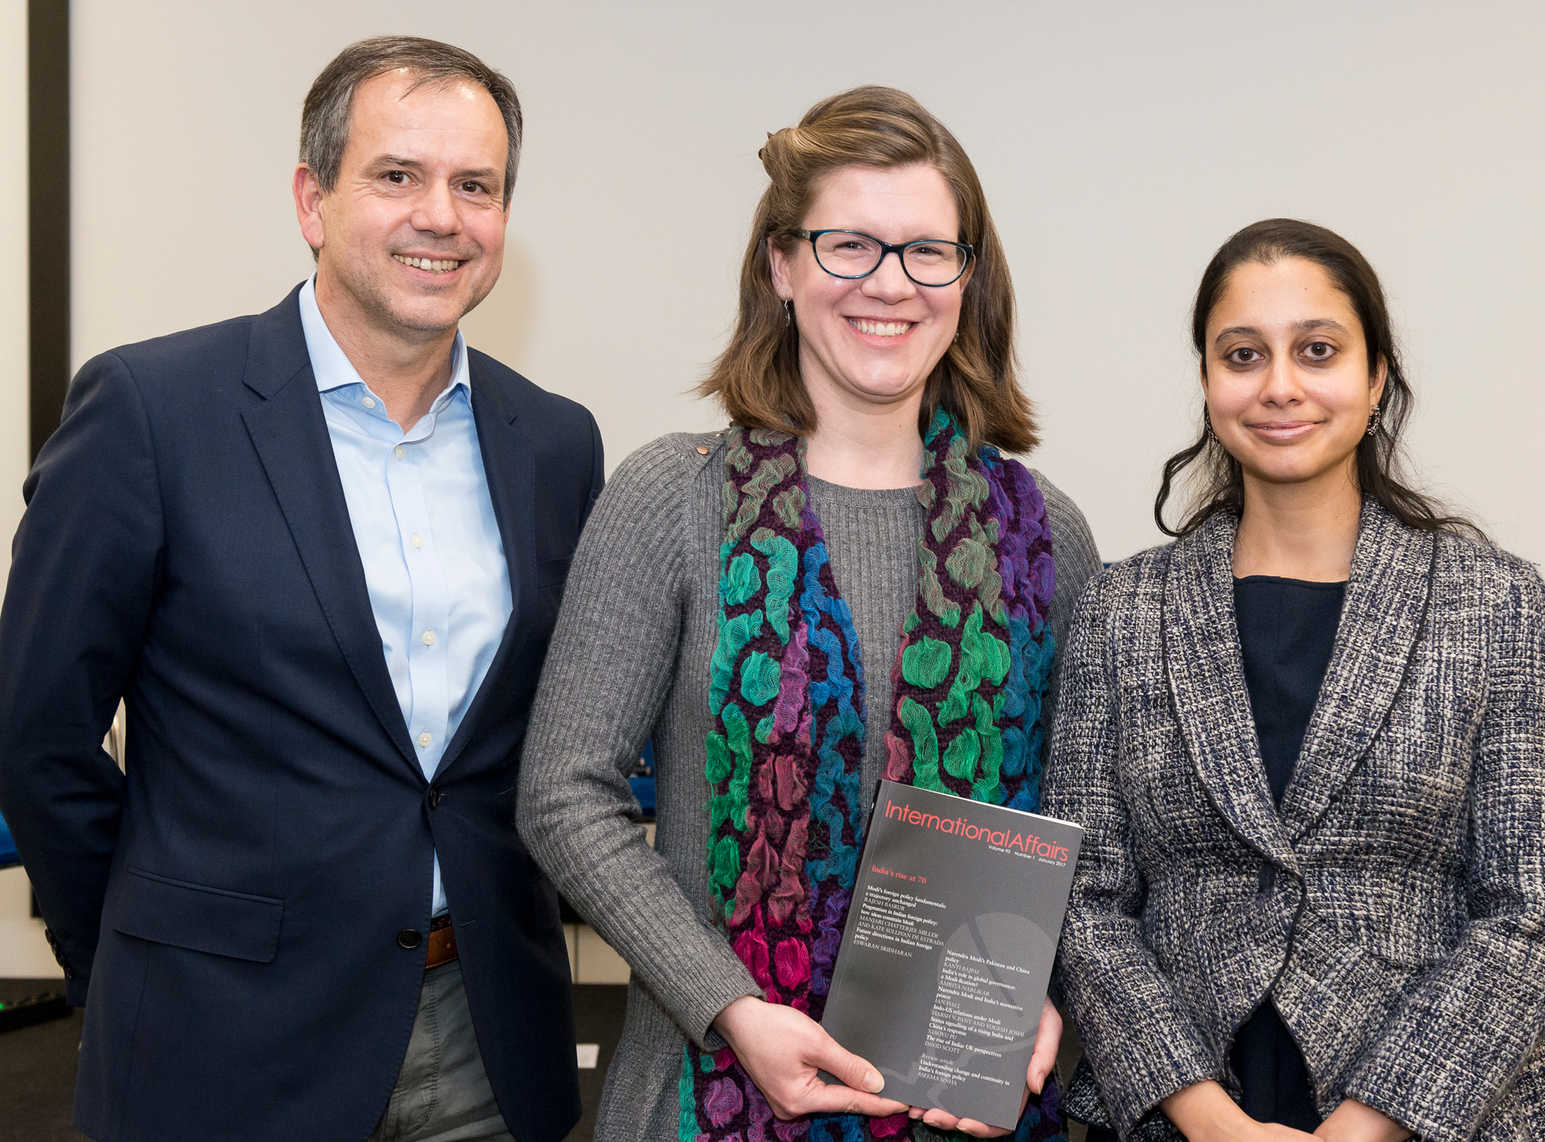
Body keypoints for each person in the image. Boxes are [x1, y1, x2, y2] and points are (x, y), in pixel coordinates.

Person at [0, 36, 601, 1142]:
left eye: (476, 185)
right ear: (311, 198)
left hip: (486, 1034)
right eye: (396, 175)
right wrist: (137, 952)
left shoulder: (555, 442)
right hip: (216, 1041)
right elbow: (36, 731)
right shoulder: (150, 409)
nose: (442, 215)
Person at [516, 85, 1100, 1142]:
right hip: (709, 1092)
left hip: (970, 1103)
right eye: (849, 246)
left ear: (968, 279)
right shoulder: (672, 499)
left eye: (929, 251)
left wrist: (1042, 991)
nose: (890, 285)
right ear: (781, 266)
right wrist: (730, 1005)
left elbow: (1083, 828)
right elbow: (565, 793)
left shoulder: (1044, 532)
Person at [1044, 219, 1545, 1142]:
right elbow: (1086, 900)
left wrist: (1372, 1121)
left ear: (1376, 377)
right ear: (1210, 380)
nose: (1280, 385)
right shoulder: (1121, 608)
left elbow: (1535, 912)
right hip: (1187, 1104)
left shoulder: (1493, 601)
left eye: (1318, 351)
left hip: (1440, 1111)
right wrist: (1207, 1118)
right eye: (1243, 354)